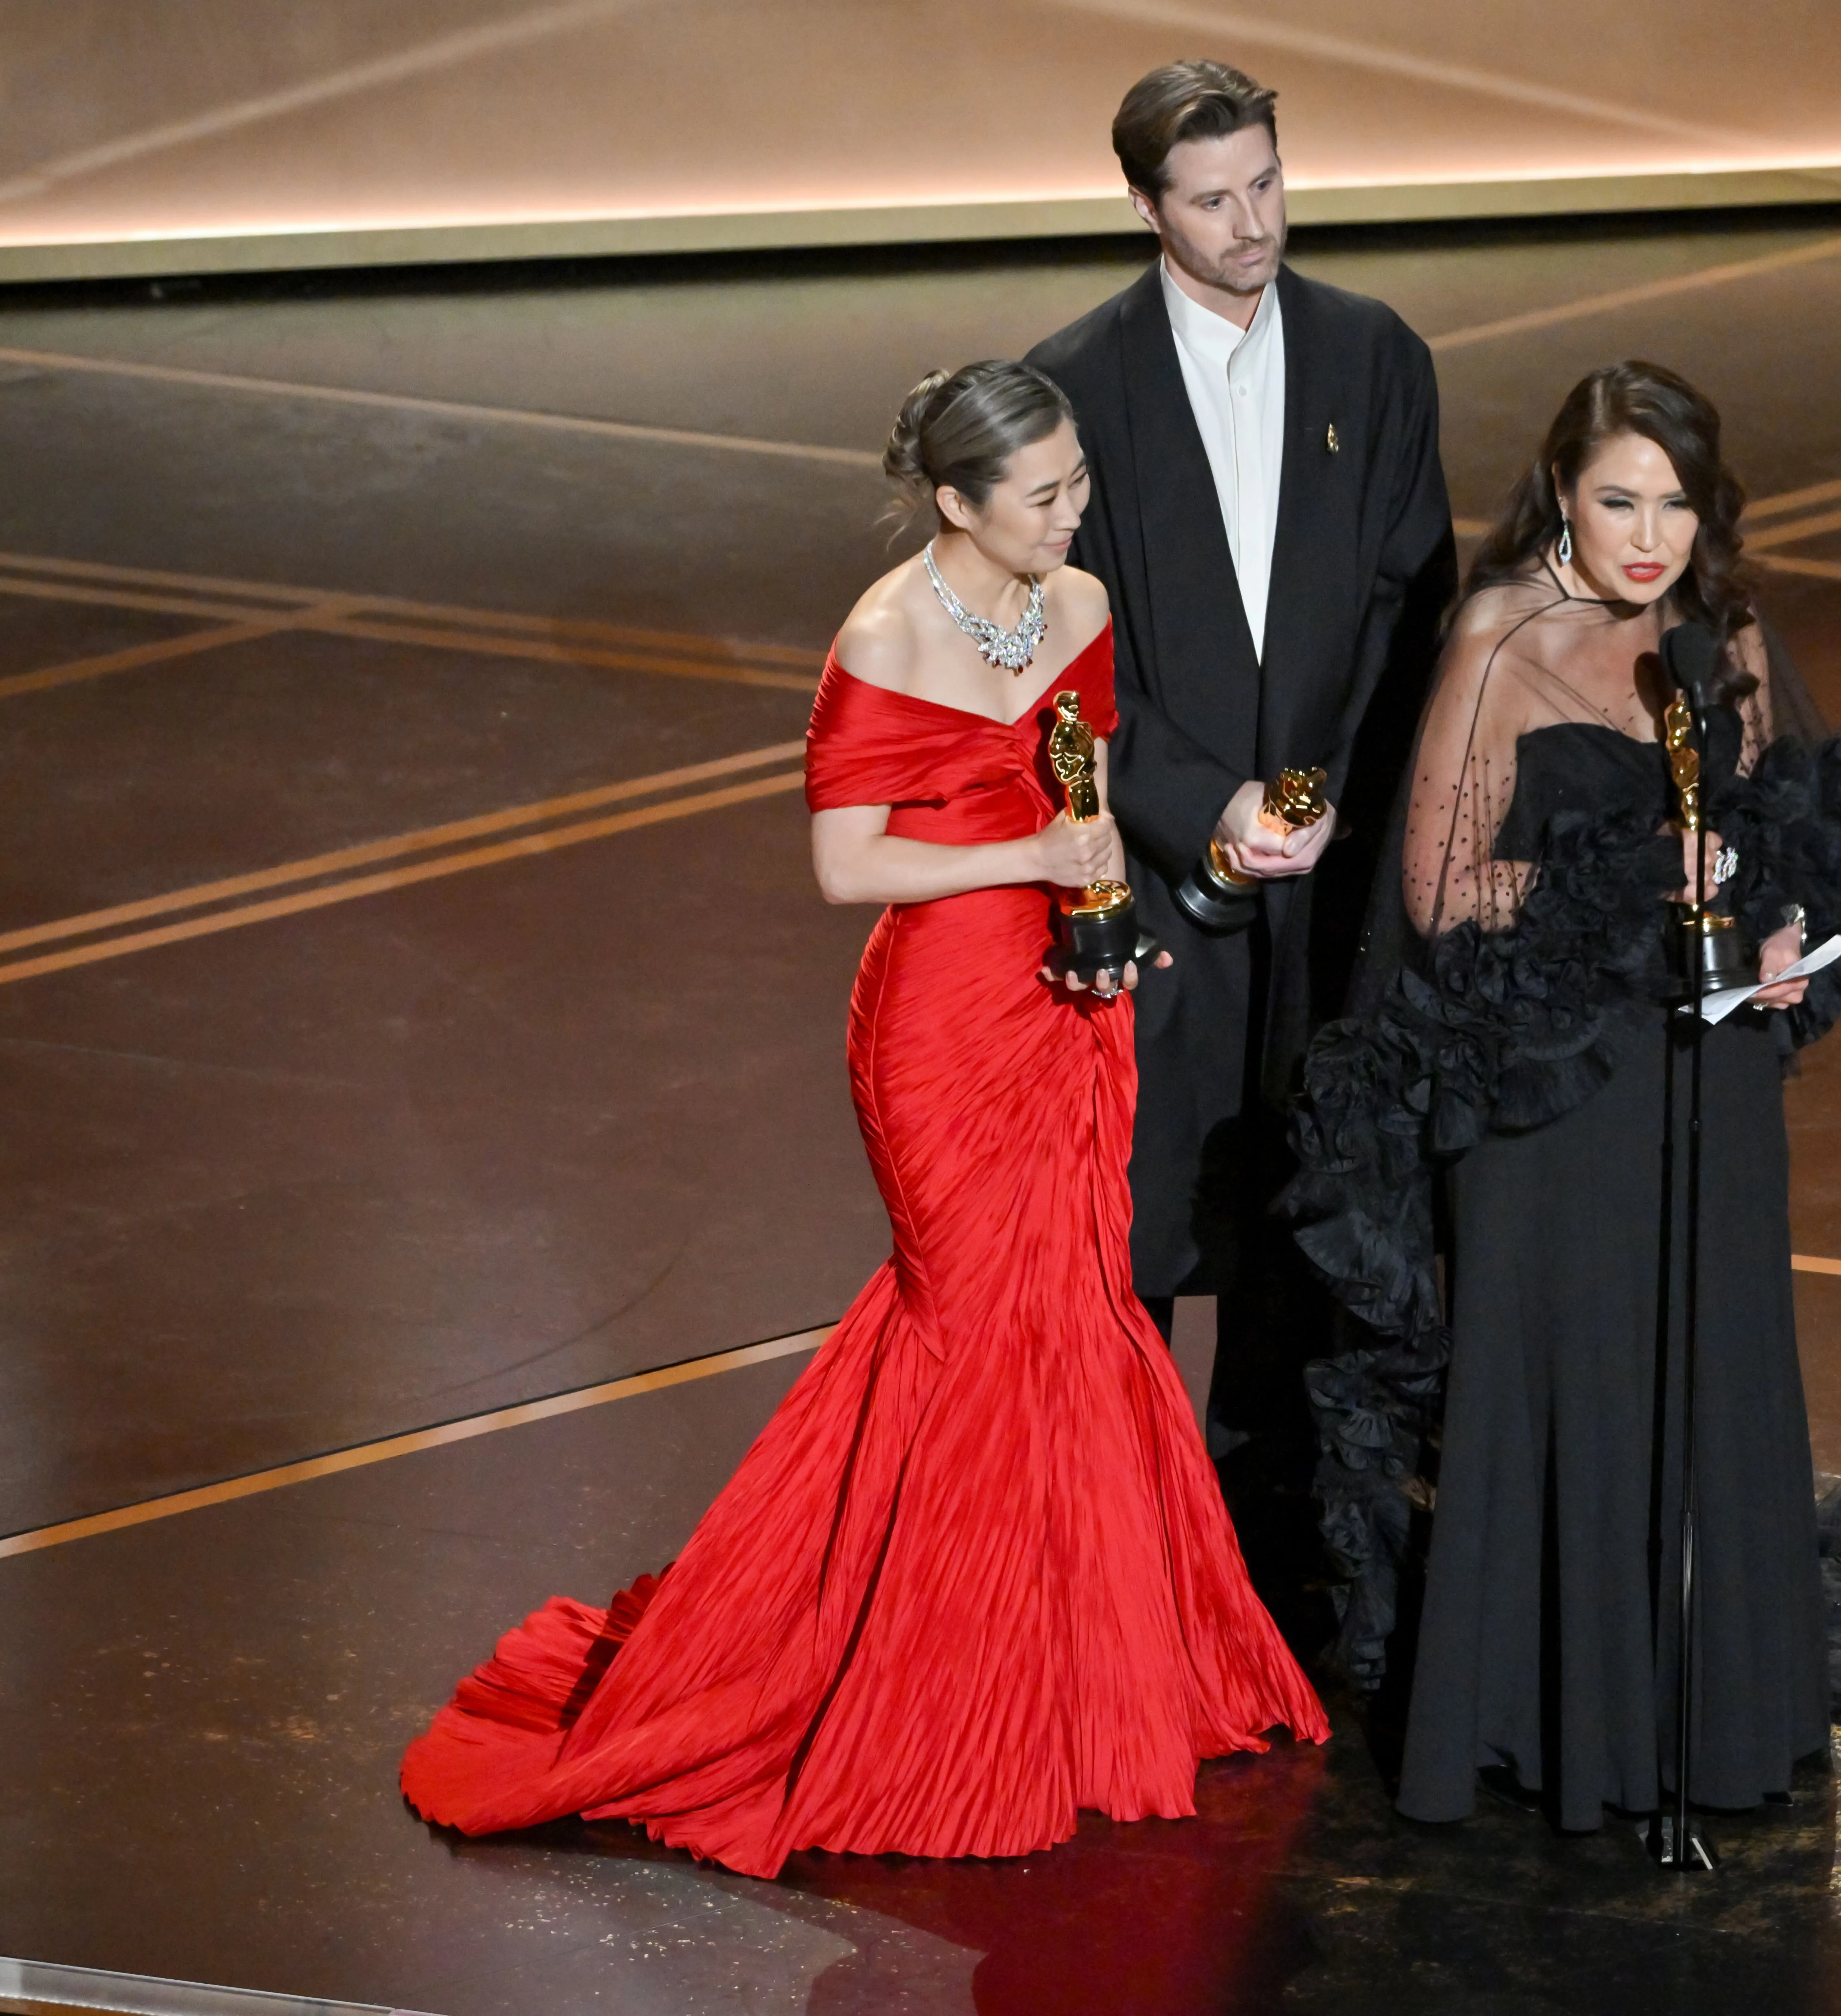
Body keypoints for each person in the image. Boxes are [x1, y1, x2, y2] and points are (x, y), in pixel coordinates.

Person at [399, 362, 1325, 1871]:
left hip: (1069, 1006)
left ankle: (1070, 1674)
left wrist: (1103, 912)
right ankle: (928, 1689)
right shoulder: (886, 634)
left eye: (1081, 482)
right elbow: (847, 865)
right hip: (942, 1022)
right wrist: (1030, 858)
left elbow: (1086, 792)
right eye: (1045, 493)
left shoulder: (1082, 607)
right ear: (957, 500)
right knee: (965, 1325)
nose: (1073, 513)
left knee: (1072, 1312)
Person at [1294, 363, 1841, 1837]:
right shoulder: (1501, 635)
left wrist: (1772, 936)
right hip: (1550, 1094)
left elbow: (1769, 836)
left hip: (1701, 1072)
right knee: (1574, 1378)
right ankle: (1554, 1718)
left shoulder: (1726, 637)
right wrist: (1643, 878)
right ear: (1562, 493)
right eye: (1619, 501)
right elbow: (1445, 894)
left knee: (1709, 1365)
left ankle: (1709, 1710)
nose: (1650, 538)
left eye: (1677, 505)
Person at [1025, 60, 1455, 1446]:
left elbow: (1408, 602)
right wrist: (1208, 802)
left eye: (1266, 183)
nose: (1253, 223)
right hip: (1162, 886)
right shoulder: (1073, 391)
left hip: (1326, 875)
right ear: (1147, 207)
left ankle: (1273, 1534)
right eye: (1213, 200)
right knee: (1144, 1229)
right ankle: (1132, 1532)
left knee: (1305, 1225)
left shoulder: (1374, 356)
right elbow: (1054, 661)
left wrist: (1322, 801)